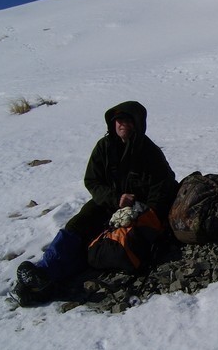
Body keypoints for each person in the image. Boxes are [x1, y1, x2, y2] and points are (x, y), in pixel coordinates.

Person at [11, 101, 179, 306]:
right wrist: (115, 198)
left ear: (138, 123)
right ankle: (44, 272)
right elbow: (92, 181)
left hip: (137, 213)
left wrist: (144, 214)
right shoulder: (104, 147)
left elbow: (162, 187)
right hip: (106, 204)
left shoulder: (150, 152)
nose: (122, 124)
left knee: (100, 247)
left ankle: (47, 280)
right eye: (118, 120)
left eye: (127, 119)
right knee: (77, 226)